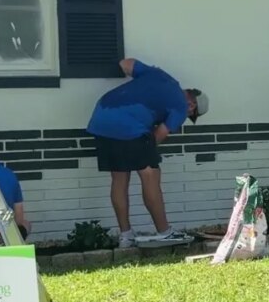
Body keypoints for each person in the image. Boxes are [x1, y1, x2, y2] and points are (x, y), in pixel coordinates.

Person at [86, 58, 208, 247]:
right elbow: (158, 136)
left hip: (102, 116)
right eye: (191, 115)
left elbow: (125, 63)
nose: (187, 116)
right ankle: (164, 232)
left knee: (119, 178)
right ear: (192, 106)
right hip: (129, 125)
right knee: (150, 173)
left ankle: (126, 236)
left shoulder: (160, 75)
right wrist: (145, 150)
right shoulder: (180, 107)